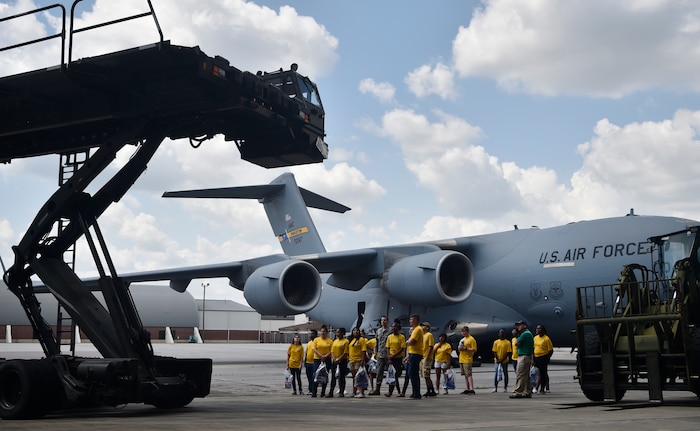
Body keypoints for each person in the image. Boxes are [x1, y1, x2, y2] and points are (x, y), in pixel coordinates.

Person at [510, 320, 534, 399]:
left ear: (524, 326)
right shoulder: (527, 333)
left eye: (519, 325)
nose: (518, 327)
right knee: (526, 375)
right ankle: (527, 391)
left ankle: (518, 392)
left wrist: (517, 336)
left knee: (520, 374)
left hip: (524, 356)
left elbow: (517, 344)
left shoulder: (525, 334)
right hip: (526, 356)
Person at [404, 314, 424, 399]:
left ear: (415, 320)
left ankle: (416, 393)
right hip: (413, 353)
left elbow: (411, 341)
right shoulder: (415, 329)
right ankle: (415, 392)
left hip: (415, 353)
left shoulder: (417, 329)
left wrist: (407, 341)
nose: (410, 321)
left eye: (411, 320)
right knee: (412, 373)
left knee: (412, 373)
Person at [384, 321, 406, 397]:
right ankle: (392, 392)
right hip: (391, 358)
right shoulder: (389, 337)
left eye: (395, 327)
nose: (394, 328)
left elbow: (402, 348)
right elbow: (387, 347)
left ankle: (395, 391)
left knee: (395, 375)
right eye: (393, 327)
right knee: (391, 375)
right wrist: (389, 356)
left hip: (398, 358)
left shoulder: (401, 337)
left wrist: (393, 355)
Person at [369, 316, 389, 395]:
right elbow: (376, 343)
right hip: (380, 354)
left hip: (388, 354)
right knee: (379, 372)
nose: (383, 322)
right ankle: (377, 389)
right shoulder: (378, 331)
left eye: (384, 320)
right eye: (382, 320)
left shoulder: (390, 331)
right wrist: (375, 353)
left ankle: (391, 390)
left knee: (391, 372)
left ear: (387, 321)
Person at [311, 325, 333, 398]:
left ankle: (323, 392)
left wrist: (326, 356)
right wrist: (320, 355)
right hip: (317, 359)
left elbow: (331, 350)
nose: (322, 333)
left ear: (327, 332)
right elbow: (314, 349)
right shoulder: (316, 340)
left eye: (324, 331)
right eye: (321, 331)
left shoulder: (330, 341)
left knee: (324, 376)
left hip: (327, 359)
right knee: (315, 375)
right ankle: (314, 392)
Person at [533, 324, 554, 394]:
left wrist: (547, 359)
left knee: (543, 374)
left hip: (543, 357)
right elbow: (533, 348)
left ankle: (542, 389)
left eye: (539, 329)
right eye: (537, 329)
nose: (537, 330)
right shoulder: (535, 338)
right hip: (536, 357)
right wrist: (533, 359)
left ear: (543, 330)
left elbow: (551, 350)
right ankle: (536, 387)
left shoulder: (546, 339)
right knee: (536, 373)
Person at [329, 327, 349, 398]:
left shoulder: (346, 341)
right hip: (334, 361)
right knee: (333, 377)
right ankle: (331, 391)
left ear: (342, 333)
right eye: (337, 332)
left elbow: (345, 352)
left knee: (341, 377)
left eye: (339, 332)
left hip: (342, 361)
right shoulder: (335, 341)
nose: (337, 334)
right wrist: (334, 358)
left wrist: (339, 359)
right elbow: (332, 351)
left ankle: (341, 391)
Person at [348, 327, 367, 397]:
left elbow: (364, 351)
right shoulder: (351, 340)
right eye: (354, 330)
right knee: (354, 377)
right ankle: (354, 391)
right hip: (351, 360)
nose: (355, 332)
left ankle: (361, 392)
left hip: (358, 360)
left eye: (357, 331)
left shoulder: (361, 340)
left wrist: (362, 360)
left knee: (359, 376)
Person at [458, 326, 477, 395]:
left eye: (464, 331)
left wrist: (466, 348)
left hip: (467, 359)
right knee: (465, 375)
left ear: (467, 332)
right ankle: (467, 388)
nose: (463, 333)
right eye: (462, 332)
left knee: (469, 374)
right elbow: (459, 347)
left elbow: (474, 349)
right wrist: (460, 348)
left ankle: (472, 388)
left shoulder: (471, 339)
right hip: (462, 358)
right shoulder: (462, 340)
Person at [420, 322, 437, 397]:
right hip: (422, 356)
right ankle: (428, 389)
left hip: (427, 357)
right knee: (424, 375)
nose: (422, 327)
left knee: (427, 374)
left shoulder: (429, 335)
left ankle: (431, 390)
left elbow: (430, 346)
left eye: (423, 326)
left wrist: (427, 356)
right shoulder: (422, 335)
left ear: (427, 327)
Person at [304, 329, 317, 395]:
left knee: (313, 377)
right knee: (309, 377)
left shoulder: (316, 342)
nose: (311, 335)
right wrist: (305, 362)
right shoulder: (309, 343)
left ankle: (313, 390)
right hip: (308, 362)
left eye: (313, 334)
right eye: (310, 334)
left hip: (314, 362)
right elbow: (306, 352)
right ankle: (310, 389)